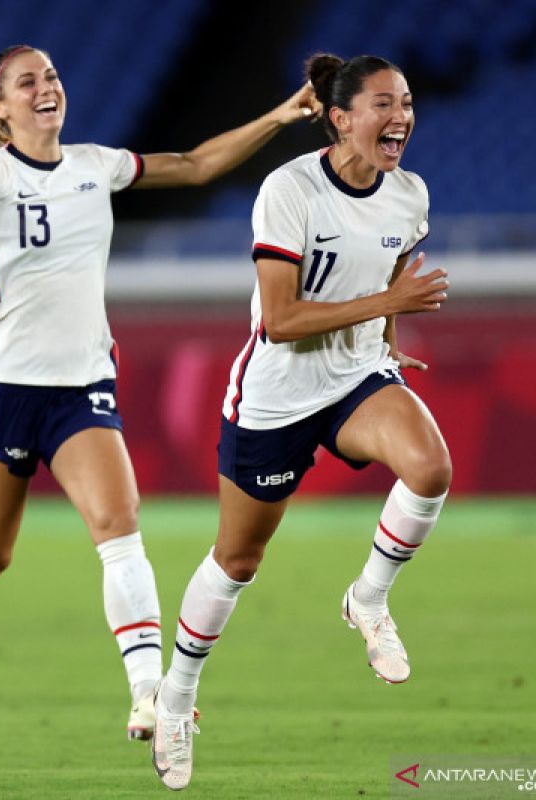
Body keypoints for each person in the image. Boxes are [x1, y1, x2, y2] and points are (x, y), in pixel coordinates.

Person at [0, 45, 319, 746]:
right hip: (3, 391)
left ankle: (150, 695)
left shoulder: (97, 164)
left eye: (53, 76)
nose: (46, 88)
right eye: (28, 82)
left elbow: (195, 164)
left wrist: (279, 115)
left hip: (81, 389)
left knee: (119, 528)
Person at [151, 53, 451, 790]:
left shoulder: (409, 196)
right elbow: (281, 321)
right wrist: (386, 311)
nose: (402, 116)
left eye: (407, 102)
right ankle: (177, 697)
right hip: (277, 395)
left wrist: (386, 345)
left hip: (354, 377)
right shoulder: (288, 191)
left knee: (430, 467)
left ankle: (368, 599)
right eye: (383, 103)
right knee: (237, 561)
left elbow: (384, 279)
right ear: (340, 117)